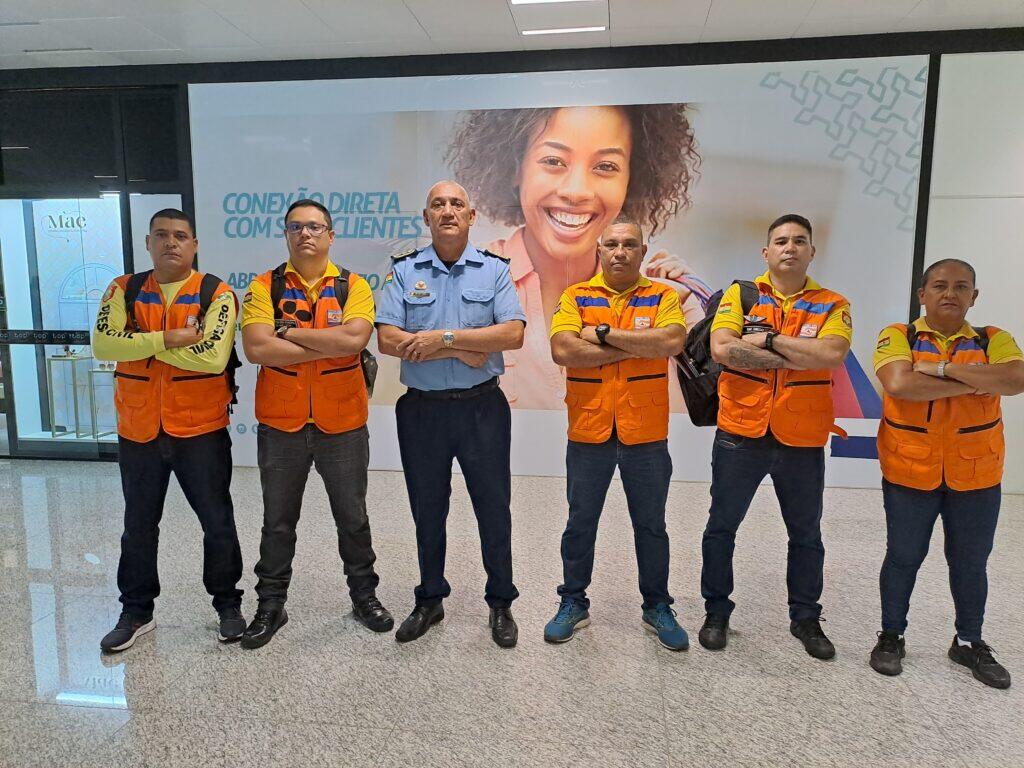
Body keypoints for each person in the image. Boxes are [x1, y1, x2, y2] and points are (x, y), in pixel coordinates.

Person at [447, 104, 711, 411]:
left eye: (606, 166)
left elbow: (686, 419)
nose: (576, 191)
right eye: (553, 161)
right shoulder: (463, 280)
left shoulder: (667, 297)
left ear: (632, 180)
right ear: (516, 167)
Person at [376, 180, 526, 648]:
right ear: (426, 218)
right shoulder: (404, 271)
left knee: (493, 508)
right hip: (422, 411)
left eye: (457, 203)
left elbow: (513, 334)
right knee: (427, 509)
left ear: (471, 215)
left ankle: (500, 602)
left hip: (483, 409)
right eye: (437, 204)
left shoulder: (495, 270)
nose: (447, 211)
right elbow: (388, 339)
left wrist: (441, 340)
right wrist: (465, 349)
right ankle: (429, 598)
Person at [238, 198, 392, 649]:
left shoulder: (354, 286)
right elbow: (257, 348)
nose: (305, 234)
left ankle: (364, 597)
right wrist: (327, 343)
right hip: (280, 425)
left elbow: (354, 339)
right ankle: (271, 605)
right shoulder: (263, 286)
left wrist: (288, 332)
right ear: (286, 233)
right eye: (295, 227)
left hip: (342, 423)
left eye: (314, 227)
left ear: (330, 234)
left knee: (353, 518)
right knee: (277, 522)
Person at [699, 214, 851, 660]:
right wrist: (798, 354)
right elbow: (723, 348)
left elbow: (831, 353)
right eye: (781, 241)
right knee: (721, 526)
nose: (790, 247)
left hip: (802, 439)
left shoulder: (832, 303)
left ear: (812, 252)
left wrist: (767, 341)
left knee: (806, 534)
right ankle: (716, 611)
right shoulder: (741, 295)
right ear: (766, 252)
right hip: (740, 433)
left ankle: (805, 618)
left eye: (800, 241)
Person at [93, 208, 244, 651]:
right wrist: (171, 338)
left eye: (180, 235)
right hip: (138, 428)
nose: (170, 242)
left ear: (194, 244)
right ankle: (136, 611)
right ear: (148, 243)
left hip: (201, 430)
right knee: (138, 525)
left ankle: (228, 605)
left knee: (217, 521)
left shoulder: (216, 293)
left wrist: (138, 345)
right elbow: (102, 344)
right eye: (161, 235)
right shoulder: (123, 289)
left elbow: (212, 358)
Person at [869, 259, 1024, 688]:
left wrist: (942, 369)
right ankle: (891, 636)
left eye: (961, 286)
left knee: (970, 562)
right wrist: (978, 382)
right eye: (939, 285)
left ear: (974, 295)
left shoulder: (993, 338)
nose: (950, 293)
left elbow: (1014, 379)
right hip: (909, 471)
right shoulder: (897, 335)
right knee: (903, 557)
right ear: (923, 294)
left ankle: (969, 641)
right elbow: (900, 385)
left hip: (976, 475)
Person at [543, 214, 689, 650]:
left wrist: (603, 336)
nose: (620, 252)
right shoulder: (576, 295)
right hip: (589, 431)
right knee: (580, 522)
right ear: (600, 251)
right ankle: (573, 601)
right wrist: (636, 346)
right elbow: (562, 348)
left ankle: (657, 605)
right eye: (612, 245)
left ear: (643, 252)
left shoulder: (662, 296)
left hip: (646, 433)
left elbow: (671, 342)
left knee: (651, 525)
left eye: (629, 245)